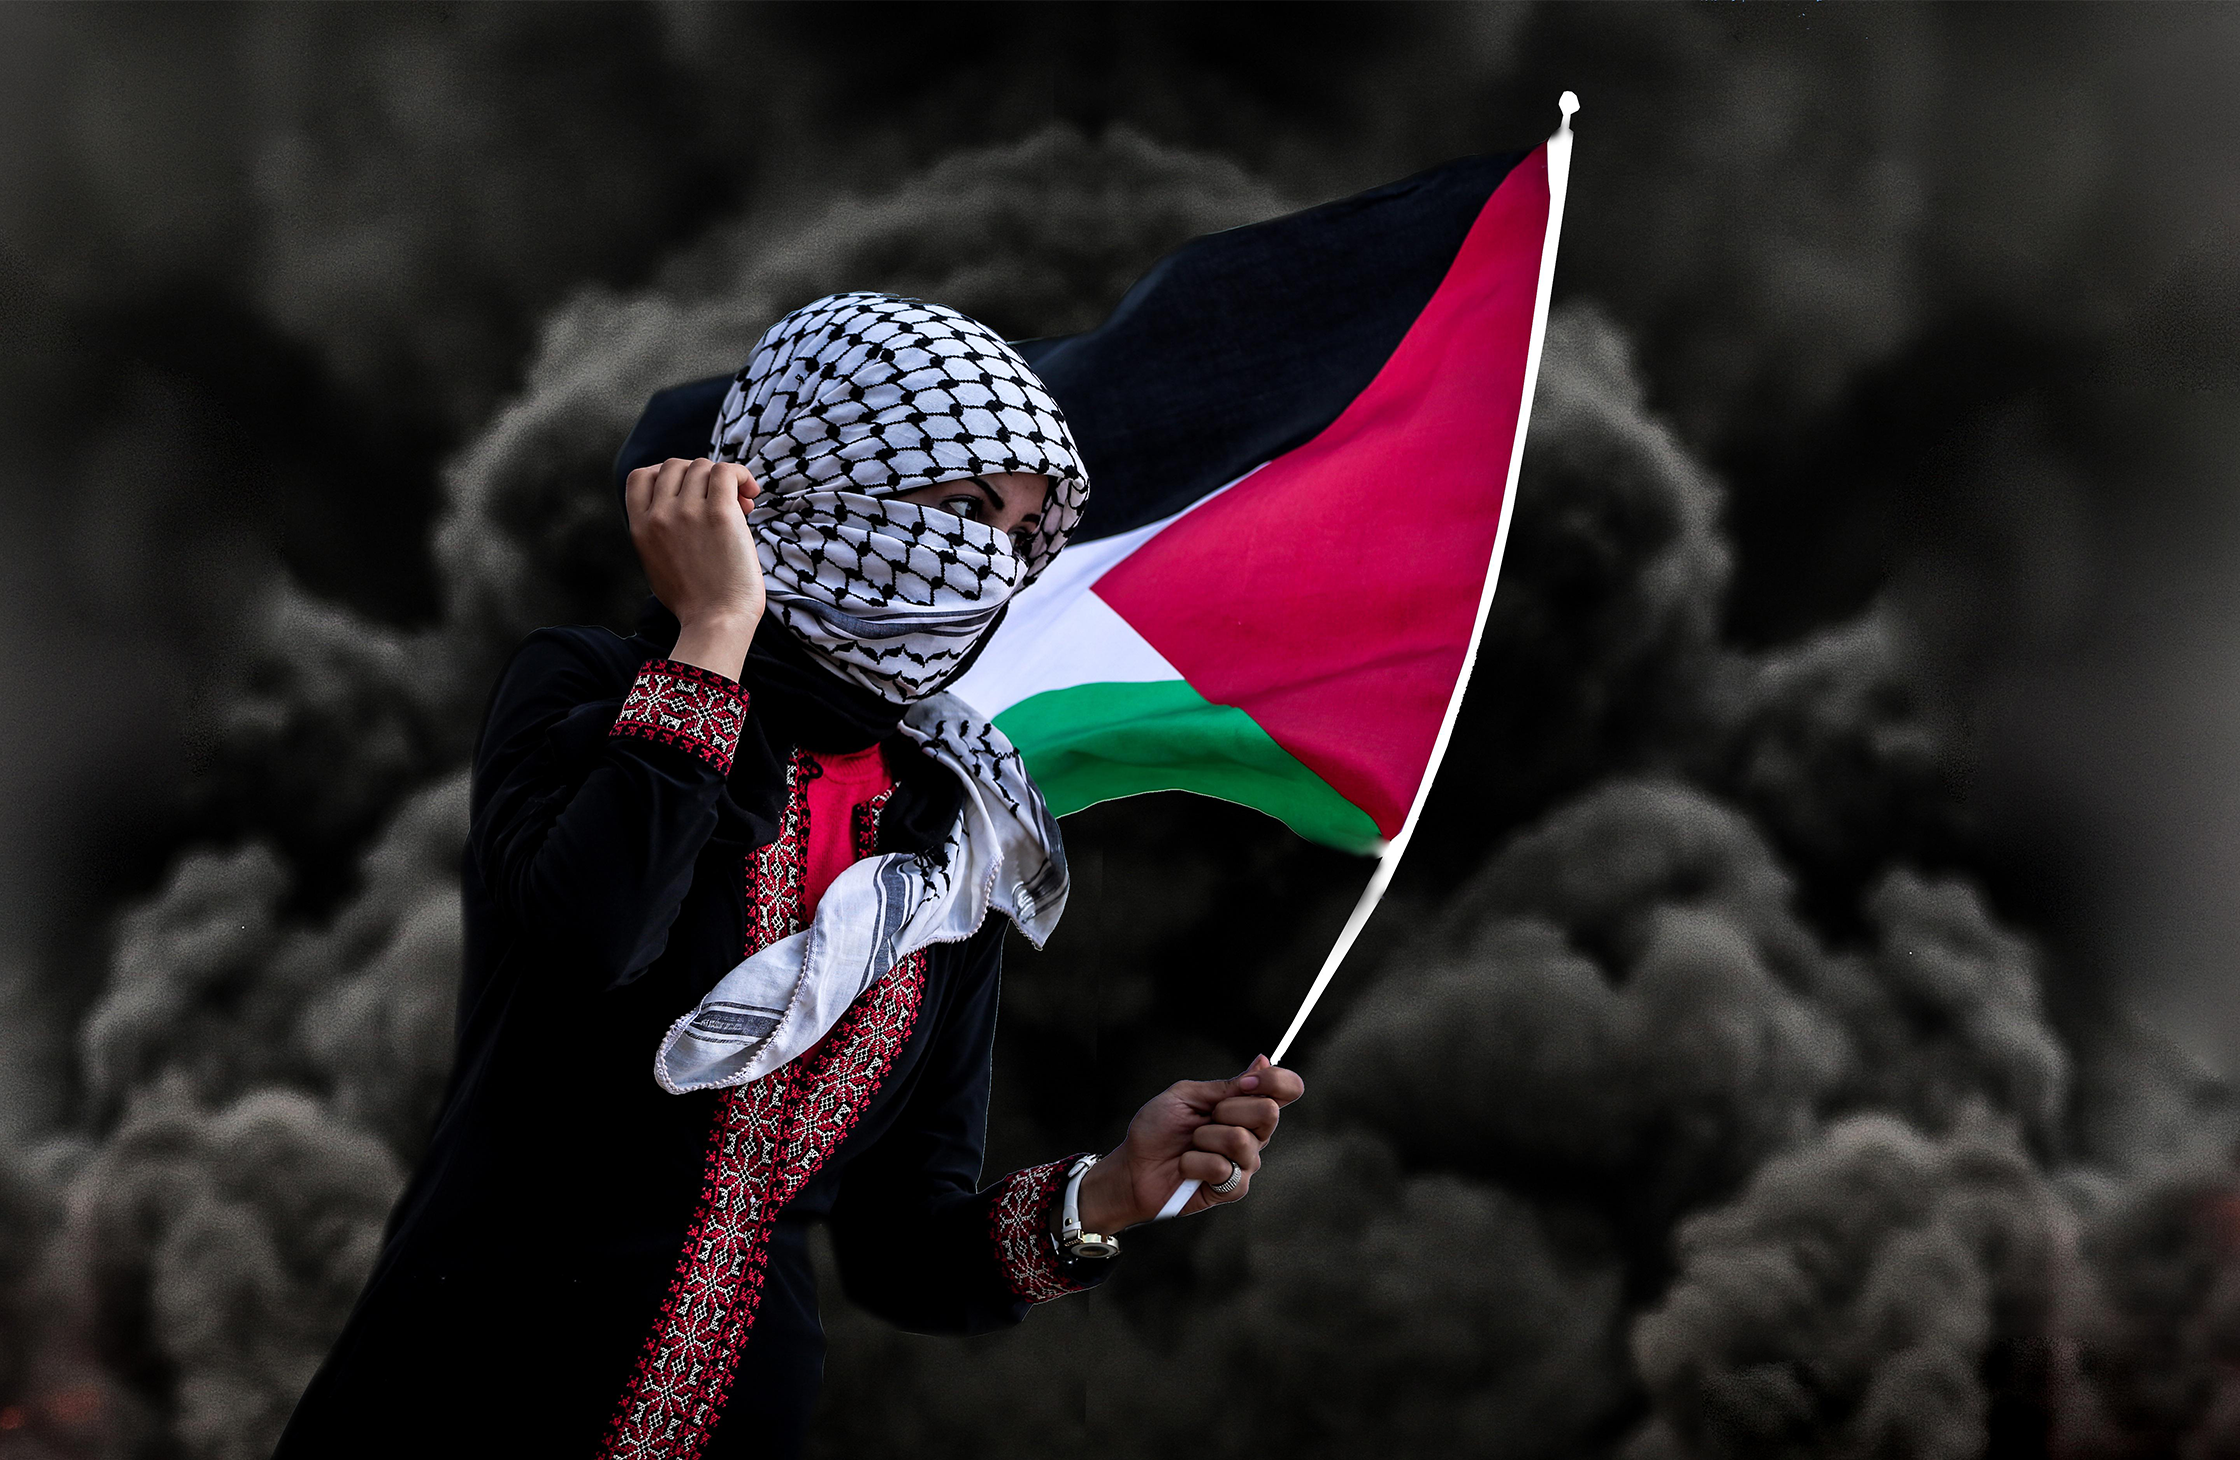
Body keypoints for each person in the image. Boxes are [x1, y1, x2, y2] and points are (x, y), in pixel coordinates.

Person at [274, 292, 1305, 1460]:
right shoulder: (584, 691)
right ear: (793, 479)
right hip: (464, 1397)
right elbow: (588, 940)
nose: (988, 561)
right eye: (961, 507)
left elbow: (899, 1246)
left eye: (1019, 534)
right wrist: (713, 625)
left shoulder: (954, 841)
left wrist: (1106, 1192)